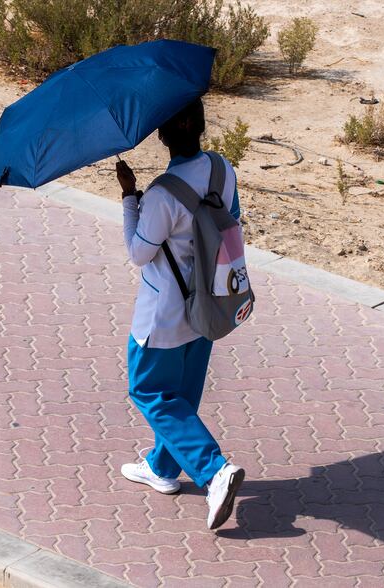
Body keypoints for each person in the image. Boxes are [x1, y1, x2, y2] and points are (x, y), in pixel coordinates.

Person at [115, 98, 245, 530]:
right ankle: (162, 468)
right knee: (183, 395)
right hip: (210, 301)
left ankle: (214, 471)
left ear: (162, 135)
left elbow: (139, 253)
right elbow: (232, 220)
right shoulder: (223, 170)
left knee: (150, 391)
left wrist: (129, 198)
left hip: (164, 313)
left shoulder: (161, 195)